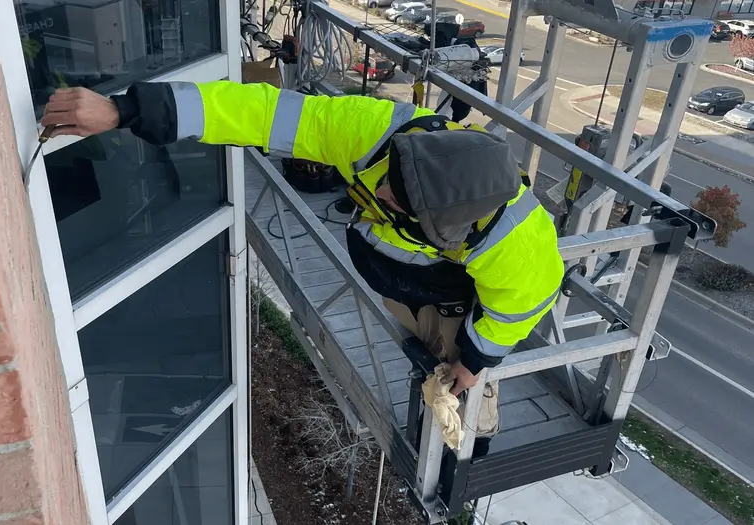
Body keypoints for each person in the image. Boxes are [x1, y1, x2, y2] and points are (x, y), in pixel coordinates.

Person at [41, 81, 565, 456]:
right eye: (392, 179)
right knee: (427, 345)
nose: (381, 191)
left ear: (455, 226)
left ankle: (474, 433)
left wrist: (475, 359)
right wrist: (125, 110)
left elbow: (519, 306)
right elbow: (259, 111)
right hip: (408, 274)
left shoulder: (516, 244)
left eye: (397, 201)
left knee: (457, 376)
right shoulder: (379, 134)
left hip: (453, 293)